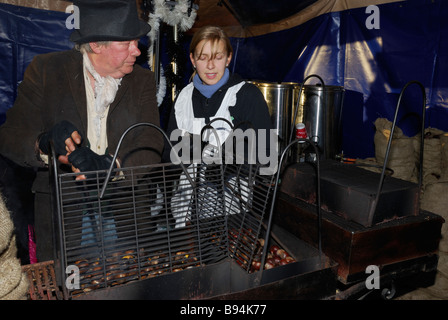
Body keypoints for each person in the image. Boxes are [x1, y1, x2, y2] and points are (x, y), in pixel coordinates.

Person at [0, 0, 164, 261]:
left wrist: (113, 165)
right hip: (64, 212)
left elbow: (151, 138)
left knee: (127, 282)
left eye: (137, 42)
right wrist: (44, 144)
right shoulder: (45, 71)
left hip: (124, 208)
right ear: (96, 44)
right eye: (127, 43)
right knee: (66, 287)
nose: (137, 50)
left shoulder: (141, 79)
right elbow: (10, 134)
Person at [163, 25, 277, 228]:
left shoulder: (246, 96)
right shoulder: (183, 98)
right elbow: (169, 153)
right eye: (202, 57)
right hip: (185, 213)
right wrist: (210, 150)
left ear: (228, 58)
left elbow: (266, 156)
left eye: (217, 57)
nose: (210, 65)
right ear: (192, 60)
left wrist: (225, 162)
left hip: (232, 212)